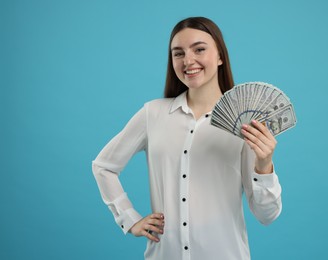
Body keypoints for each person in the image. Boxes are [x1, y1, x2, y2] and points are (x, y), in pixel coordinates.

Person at [92, 16, 282, 260]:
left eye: (199, 49)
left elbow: (266, 215)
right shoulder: (153, 113)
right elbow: (103, 167)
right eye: (178, 53)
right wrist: (129, 219)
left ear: (220, 56)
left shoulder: (244, 125)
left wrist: (264, 165)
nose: (188, 61)